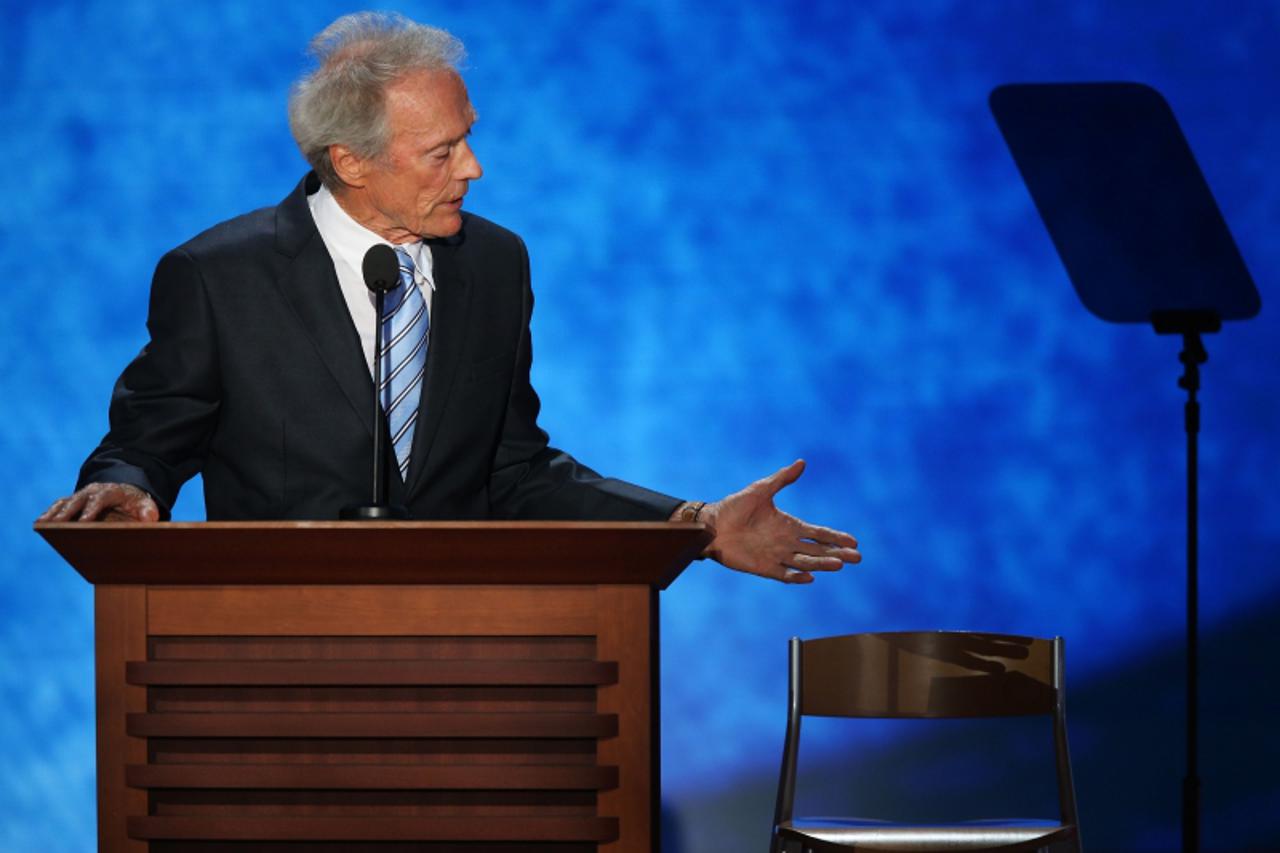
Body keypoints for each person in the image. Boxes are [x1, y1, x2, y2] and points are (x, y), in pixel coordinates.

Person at [37, 12, 860, 584]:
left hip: (461, 645)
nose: (473, 169)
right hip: (273, 648)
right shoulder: (220, 274)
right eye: (443, 150)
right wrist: (131, 487)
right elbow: (150, 436)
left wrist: (698, 524)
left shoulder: (493, 263)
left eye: (469, 138)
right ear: (352, 163)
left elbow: (514, 468)